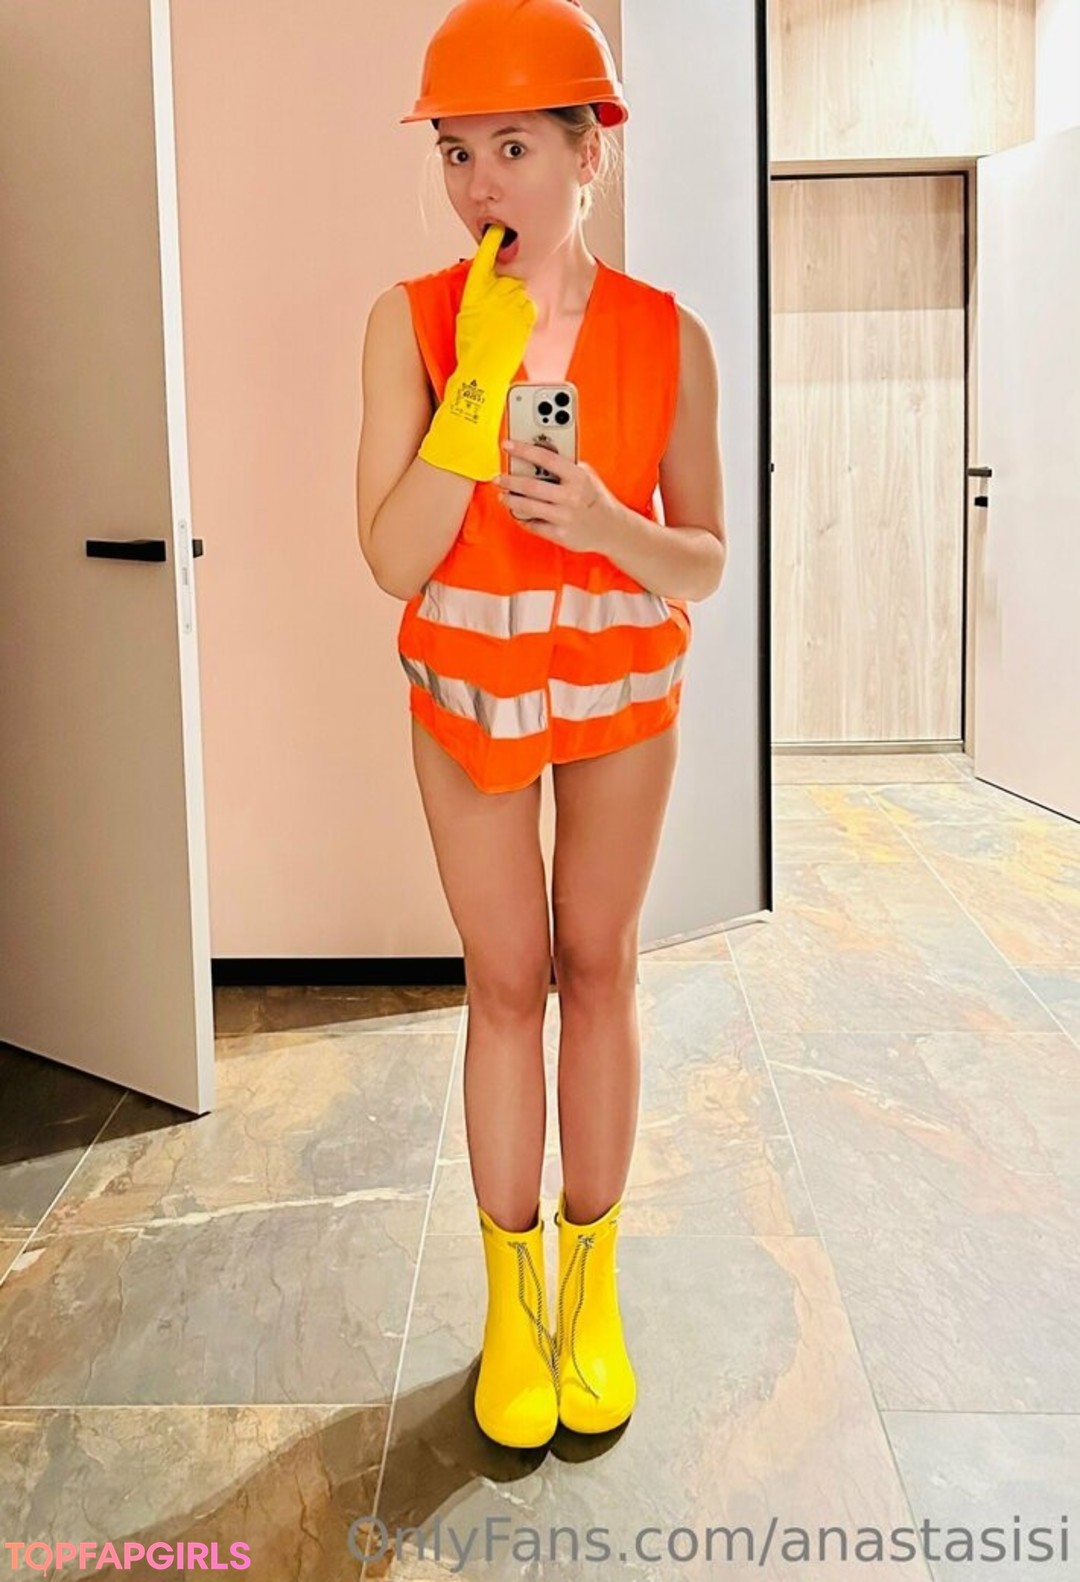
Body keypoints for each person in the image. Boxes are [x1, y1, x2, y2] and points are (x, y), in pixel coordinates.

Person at [356, 0, 725, 1448]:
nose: (479, 184)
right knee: (506, 981)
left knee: (600, 966)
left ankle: (594, 1290)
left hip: (622, 690)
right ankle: (515, 1313)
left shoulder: (665, 335)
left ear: (590, 153)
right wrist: (473, 387)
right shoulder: (409, 322)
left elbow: (704, 561)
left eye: (513, 146)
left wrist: (606, 522)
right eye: (457, 151)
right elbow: (394, 558)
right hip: (471, 693)